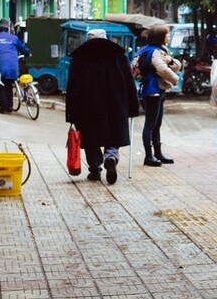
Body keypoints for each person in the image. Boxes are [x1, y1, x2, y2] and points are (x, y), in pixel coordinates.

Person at [66, 28, 139, 184]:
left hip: (88, 105)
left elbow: (72, 86)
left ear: (88, 38)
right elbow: (129, 82)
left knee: (90, 137)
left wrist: (71, 112)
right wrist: (133, 106)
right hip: (116, 102)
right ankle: (111, 156)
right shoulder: (119, 55)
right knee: (113, 133)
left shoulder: (79, 56)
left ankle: (95, 169)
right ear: (106, 38)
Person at [134, 24, 181, 167]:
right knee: (151, 123)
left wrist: (171, 61)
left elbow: (175, 65)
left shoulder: (149, 50)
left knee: (157, 123)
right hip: (152, 89)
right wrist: (175, 80)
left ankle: (157, 153)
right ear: (161, 37)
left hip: (154, 89)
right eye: (167, 35)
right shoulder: (155, 52)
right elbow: (162, 69)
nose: (169, 37)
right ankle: (149, 156)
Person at [0, 18, 29, 114]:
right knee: (8, 85)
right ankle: (10, 106)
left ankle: (3, 107)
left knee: (0, 85)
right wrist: (28, 53)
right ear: (8, 29)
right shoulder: (14, 38)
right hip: (12, 68)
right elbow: (24, 49)